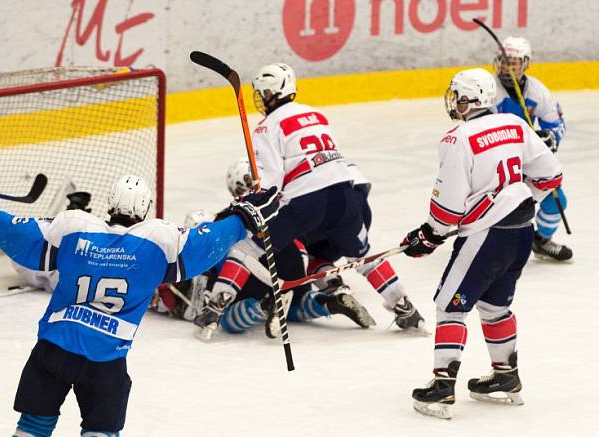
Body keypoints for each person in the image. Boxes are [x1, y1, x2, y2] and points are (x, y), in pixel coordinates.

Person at [0, 174, 278, 437]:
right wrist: (243, 219)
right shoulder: (158, 241)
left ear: (109, 205)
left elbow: (26, 240)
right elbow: (205, 244)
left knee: (32, 428)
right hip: (105, 362)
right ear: (146, 208)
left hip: (53, 350)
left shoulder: (76, 226)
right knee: (101, 431)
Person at [403, 68, 562, 419]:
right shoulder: (514, 124)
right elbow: (551, 174)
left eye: (457, 95)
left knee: (450, 307)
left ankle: (442, 387)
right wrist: (521, 201)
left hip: (486, 237)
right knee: (494, 308)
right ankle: (506, 377)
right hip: (521, 231)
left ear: (468, 100)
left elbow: (448, 210)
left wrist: (427, 236)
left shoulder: (456, 138)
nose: (453, 101)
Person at [246, 63, 424, 330]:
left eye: (263, 92)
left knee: (254, 245)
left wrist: (256, 200)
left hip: (306, 203)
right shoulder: (316, 114)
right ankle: (404, 307)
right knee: (363, 257)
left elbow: (272, 177)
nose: (261, 97)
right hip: (345, 196)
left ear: (273, 91)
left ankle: (244, 299)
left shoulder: (265, 127)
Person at [193, 159, 375, 341]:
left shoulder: (229, 215)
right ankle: (331, 298)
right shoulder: (283, 193)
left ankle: (264, 306)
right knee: (298, 303)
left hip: (256, 265)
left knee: (227, 321)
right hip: (298, 254)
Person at [492, 36, 571, 261]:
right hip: (497, 163)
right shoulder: (489, 90)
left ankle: (541, 241)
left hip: (527, 160)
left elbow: (556, 124)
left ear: (525, 63)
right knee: (499, 206)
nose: (507, 67)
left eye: (513, 62)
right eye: (504, 61)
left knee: (557, 202)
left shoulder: (537, 91)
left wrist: (549, 138)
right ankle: (486, 241)